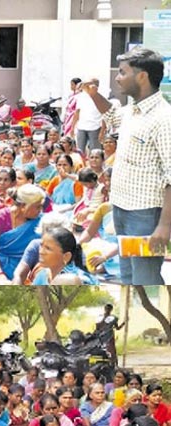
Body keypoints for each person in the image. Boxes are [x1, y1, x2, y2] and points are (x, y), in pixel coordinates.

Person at [81, 48, 171, 285]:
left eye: (122, 72)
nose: (117, 77)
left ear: (142, 76)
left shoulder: (164, 118)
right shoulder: (132, 111)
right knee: (129, 278)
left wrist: (163, 226)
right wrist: (93, 94)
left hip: (145, 215)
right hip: (122, 208)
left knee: (145, 279)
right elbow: (112, 116)